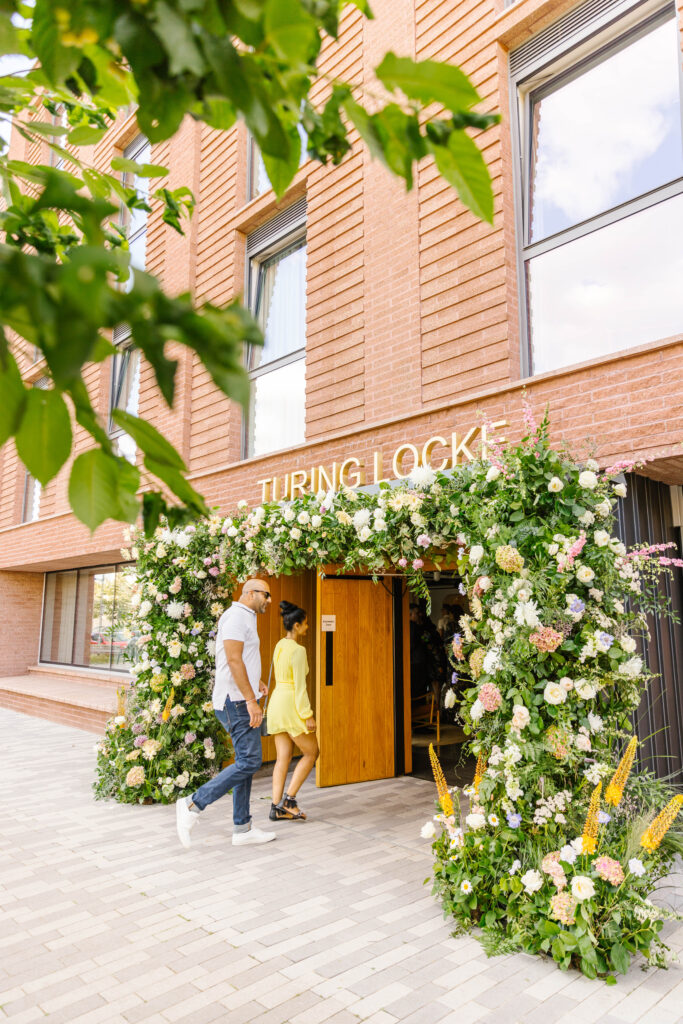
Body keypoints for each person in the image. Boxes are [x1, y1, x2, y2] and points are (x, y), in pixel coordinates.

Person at [175, 578, 276, 848]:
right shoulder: (235, 617)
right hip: (236, 702)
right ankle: (193, 803)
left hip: (241, 698)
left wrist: (256, 683)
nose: (269, 600)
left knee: (245, 761)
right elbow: (232, 659)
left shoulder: (246, 617)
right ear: (251, 593)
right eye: (266, 595)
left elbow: (243, 659)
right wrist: (250, 699)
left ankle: (242, 828)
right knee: (250, 762)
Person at [266, 601, 319, 821]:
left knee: (283, 757)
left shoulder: (280, 644)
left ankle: (275, 807)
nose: (307, 627)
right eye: (305, 624)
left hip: (276, 701)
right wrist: (307, 715)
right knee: (311, 752)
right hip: (290, 704)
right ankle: (289, 801)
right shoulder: (298, 650)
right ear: (296, 626)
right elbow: (299, 685)